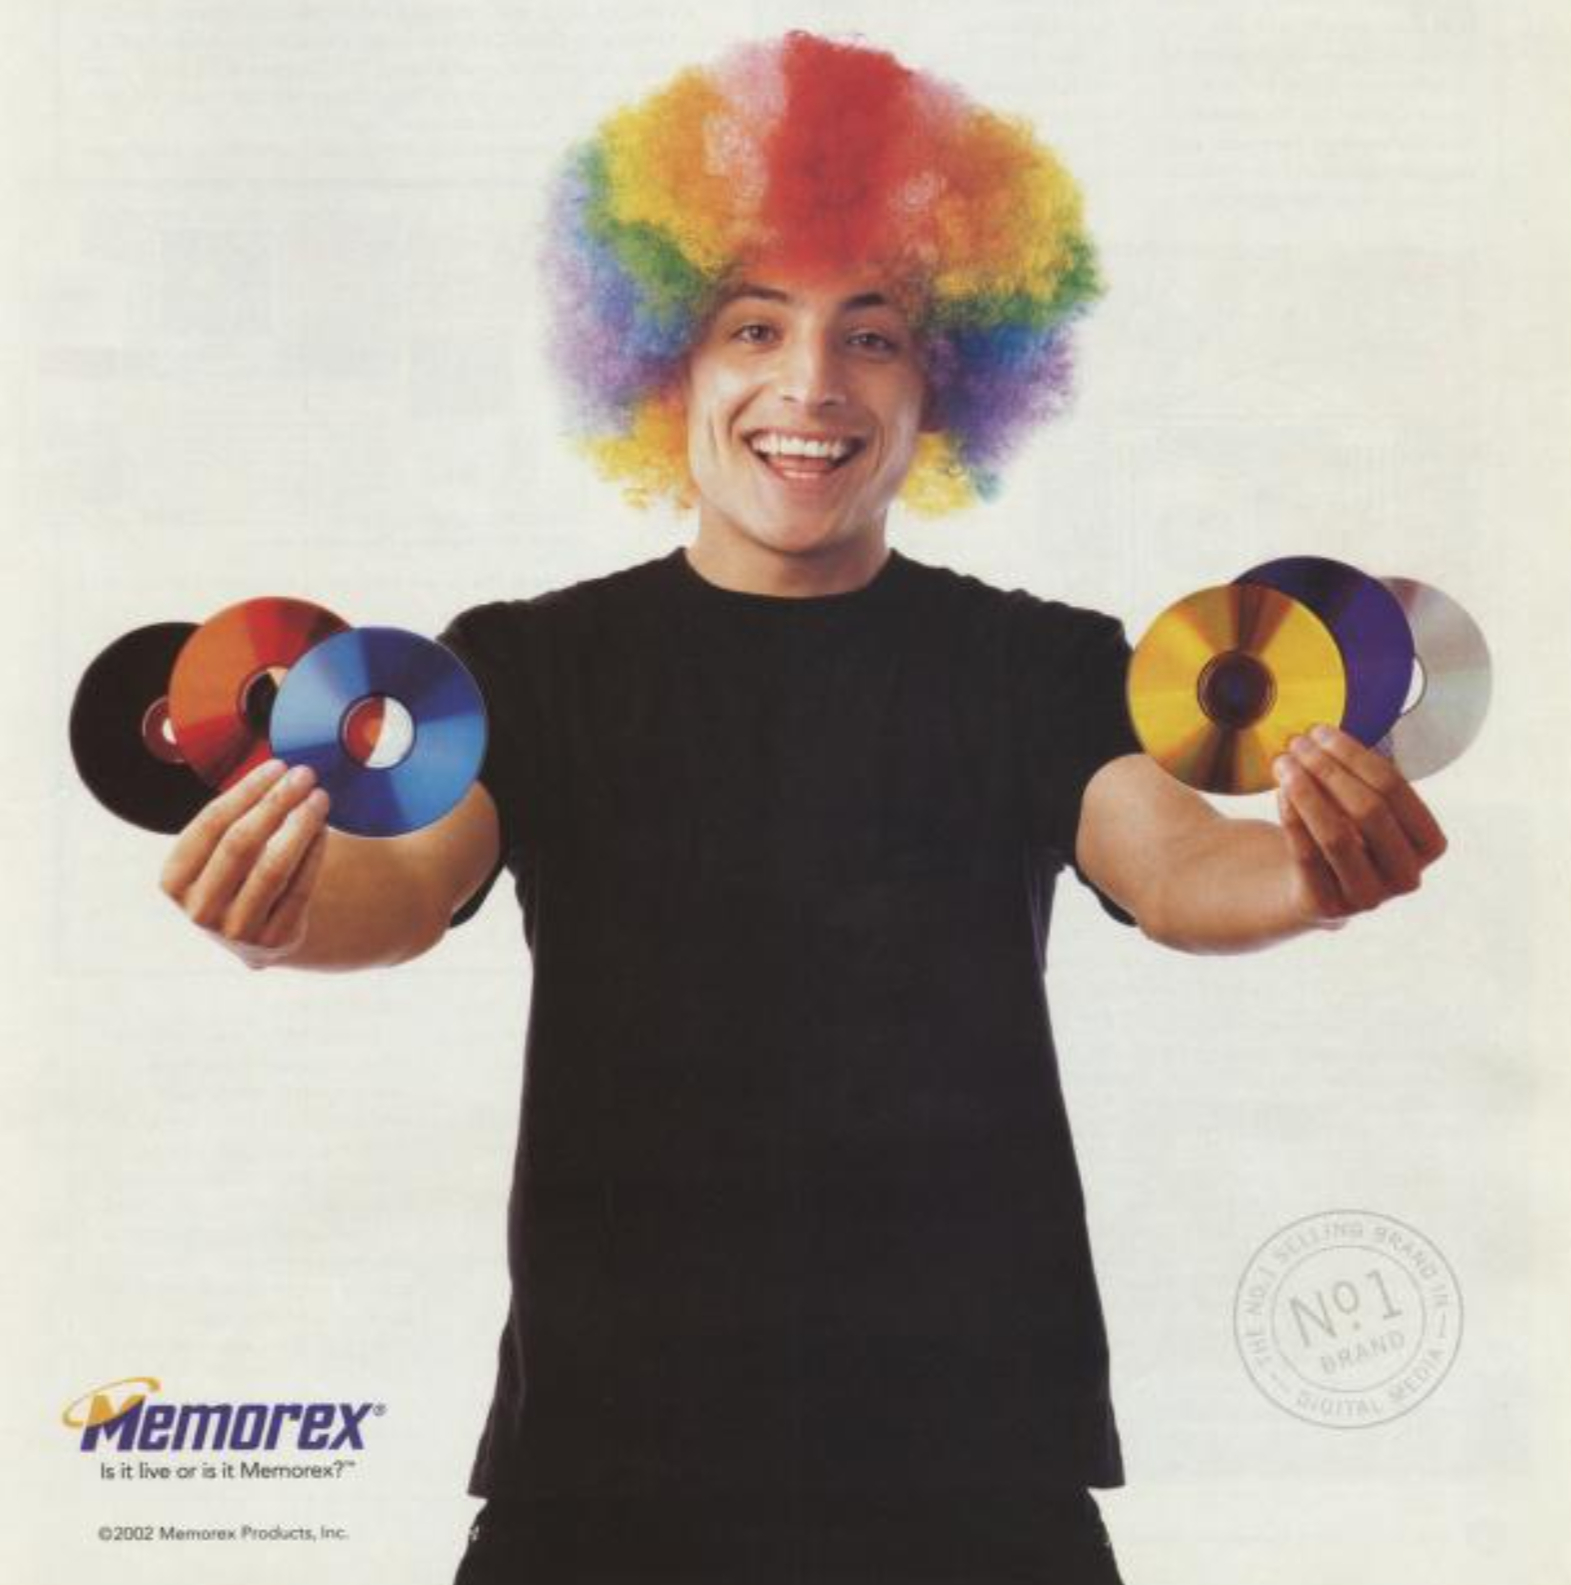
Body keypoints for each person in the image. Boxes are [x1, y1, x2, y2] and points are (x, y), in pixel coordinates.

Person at [156, 33, 1447, 1585]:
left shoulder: (1036, 665)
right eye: (752, 327)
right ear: (665, 367)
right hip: (608, 1471)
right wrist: (282, 913)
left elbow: (1174, 867)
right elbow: (407, 882)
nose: (812, 385)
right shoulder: (534, 664)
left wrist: (1310, 872)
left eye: (874, 336)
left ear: (949, 380)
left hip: (975, 1471)